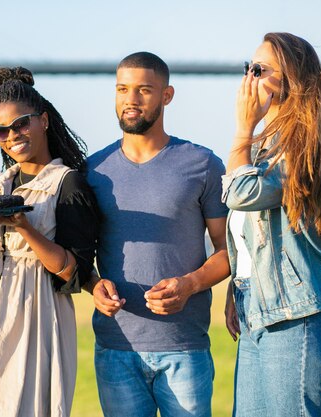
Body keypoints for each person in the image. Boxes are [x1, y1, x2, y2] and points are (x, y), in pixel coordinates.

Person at [0, 67, 100, 417]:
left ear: (43, 120)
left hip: (34, 317)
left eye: (21, 124)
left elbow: (73, 273)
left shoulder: (68, 184)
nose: (12, 135)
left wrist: (25, 228)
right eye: (1, 130)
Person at [85, 52, 230, 417]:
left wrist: (190, 284)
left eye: (143, 90)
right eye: (122, 89)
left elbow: (230, 251)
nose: (130, 100)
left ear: (167, 96)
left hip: (184, 348)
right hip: (116, 348)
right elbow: (80, 255)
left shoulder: (203, 164)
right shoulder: (92, 171)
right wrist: (93, 284)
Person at [223, 32, 321, 416]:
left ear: (291, 81)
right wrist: (239, 286)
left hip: (299, 318)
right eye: (248, 67)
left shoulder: (302, 145)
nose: (249, 78)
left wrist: (243, 128)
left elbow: (239, 193)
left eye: (259, 70)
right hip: (259, 311)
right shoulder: (267, 145)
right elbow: (250, 231)